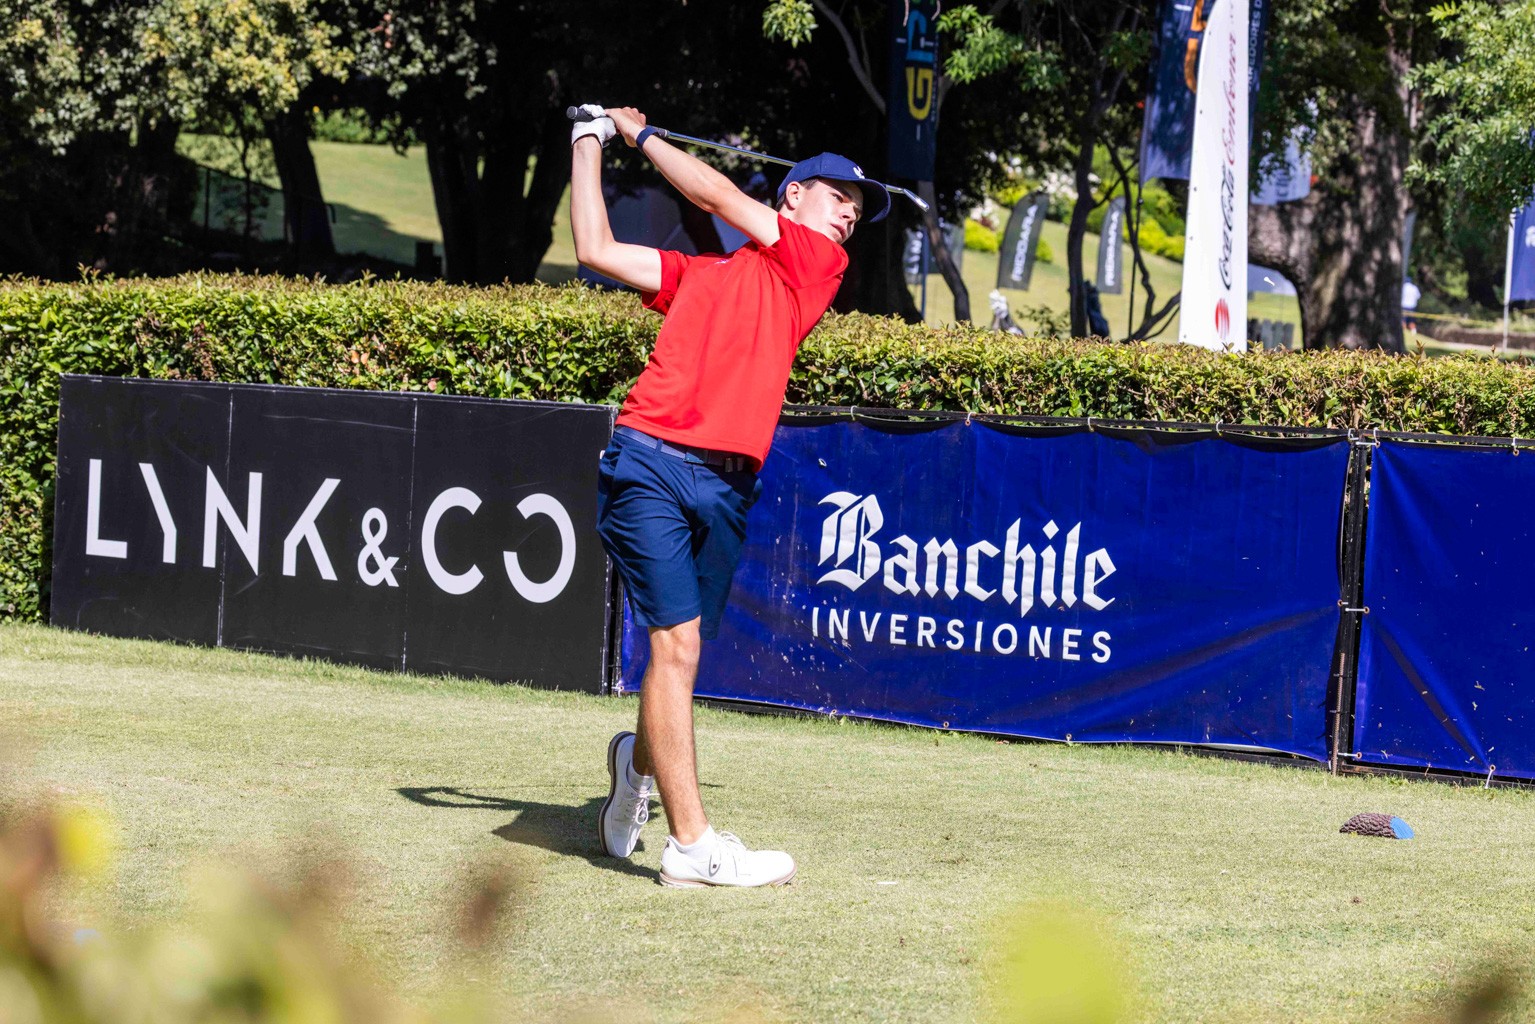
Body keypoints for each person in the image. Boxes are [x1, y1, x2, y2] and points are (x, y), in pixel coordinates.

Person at [569, 103, 890, 888]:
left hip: (725, 487)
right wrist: (588, 140)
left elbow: (713, 195)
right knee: (674, 647)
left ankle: (634, 764)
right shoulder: (701, 274)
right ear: (792, 196)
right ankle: (691, 846)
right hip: (647, 458)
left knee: (677, 657)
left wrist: (641, 135)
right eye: (837, 196)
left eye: (856, 209)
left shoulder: (816, 264)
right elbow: (595, 249)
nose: (848, 213)